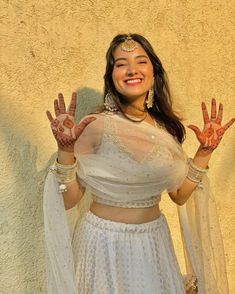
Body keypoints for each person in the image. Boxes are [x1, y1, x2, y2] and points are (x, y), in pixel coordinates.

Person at [43, 34, 234, 294]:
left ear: (154, 72)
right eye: (121, 64)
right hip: (103, 244)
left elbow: (179, 195)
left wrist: (204, 152)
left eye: (140, 61)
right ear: (111, 77)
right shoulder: (95, 125)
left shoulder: (166, 129)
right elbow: (68, 199)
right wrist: (65, 150)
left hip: (152, 243)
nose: (131, 69)